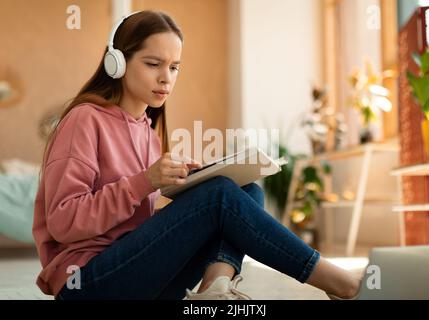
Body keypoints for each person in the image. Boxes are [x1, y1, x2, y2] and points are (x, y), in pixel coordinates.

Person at [32, 10, 361, 300]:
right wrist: (144, 182)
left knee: (246, 190)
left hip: (137, 277)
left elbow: (135, 221)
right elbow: (63, 221)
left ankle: (214, 290)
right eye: (153, 64)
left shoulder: (146, 131)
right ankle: (338, 282)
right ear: (116, 62)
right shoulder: (84, 119)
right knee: (218, 197)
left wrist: (183, 183)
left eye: (174, 67)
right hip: (88, 282)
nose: (166, 78)